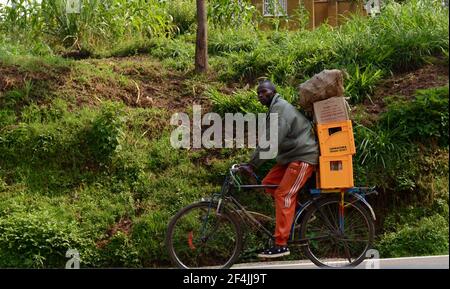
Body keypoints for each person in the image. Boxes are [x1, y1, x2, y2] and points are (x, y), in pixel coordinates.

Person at [240, 80, 319, 258]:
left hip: (303, 157)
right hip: (290, 158)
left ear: (273, 92)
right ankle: (301, 213)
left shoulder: (280, 109)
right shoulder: (276, 109)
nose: (261, 95)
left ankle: (281, 244)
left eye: (264, 92)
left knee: (284, 195)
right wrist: (250, 163)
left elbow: (271, 141)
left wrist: (252, 164)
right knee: (268, 184)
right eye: (258, 93)